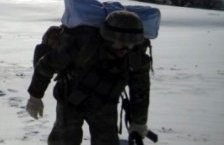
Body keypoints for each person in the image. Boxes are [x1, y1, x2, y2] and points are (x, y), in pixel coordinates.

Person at [25, 11, 152, 145]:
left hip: (105, 104)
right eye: (121, 43)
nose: (126, 48)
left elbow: (140, 90)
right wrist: (35, 96)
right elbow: (46, 65)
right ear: (108, 37)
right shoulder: (84, 45)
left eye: (131, 44)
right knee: (64, 141)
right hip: (70, 100)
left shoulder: (137, 58)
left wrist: (139, 122)